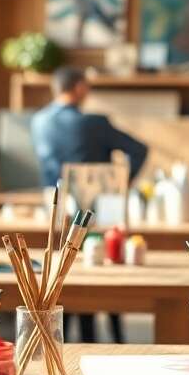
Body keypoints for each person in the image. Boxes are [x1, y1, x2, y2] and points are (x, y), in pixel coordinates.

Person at [31, 66, 149, 342]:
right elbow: (139, 149)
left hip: (55, 212)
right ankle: (114, 337)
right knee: (103, 265)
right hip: (99, 211)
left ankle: (74, 336)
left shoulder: (38, 122)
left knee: (65, 272)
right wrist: (121, 183)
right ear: (80, 87)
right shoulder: (95, 123)